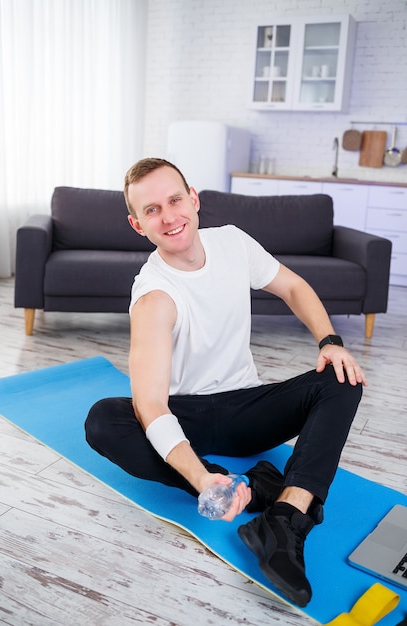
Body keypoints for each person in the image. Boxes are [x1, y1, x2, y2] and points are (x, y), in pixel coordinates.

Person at [85, 157, 366, 608]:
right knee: (102, 420)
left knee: (341, 375)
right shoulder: (154, 296)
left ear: (194, 199)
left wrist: (329, 341)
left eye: (175, 200)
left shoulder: (233, 243)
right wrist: (204, 481)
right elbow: (153, 407)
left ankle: (286, 518)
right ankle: (253, 487)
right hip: (185, 416)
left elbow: (294, 287)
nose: (169, 217)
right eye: (152, 210)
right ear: (138, 226)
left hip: (247, 407)